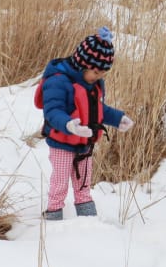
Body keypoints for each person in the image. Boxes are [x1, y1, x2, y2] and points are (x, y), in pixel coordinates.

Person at [38, 26, 134, 221]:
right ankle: (53, 213)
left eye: (102, 73)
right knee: (61, 179)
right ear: (83, 64)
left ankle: (88, 218)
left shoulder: (93, 83)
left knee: (84, 180)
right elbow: (52, 111)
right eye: (96, 72)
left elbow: (97, 110)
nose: (99, 77)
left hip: (84, 143)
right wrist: (69, 125)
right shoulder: (58, 81)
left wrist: (117, 118)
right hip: (62, 141)